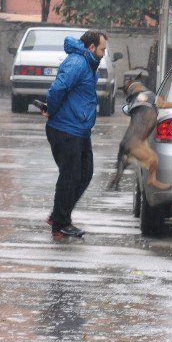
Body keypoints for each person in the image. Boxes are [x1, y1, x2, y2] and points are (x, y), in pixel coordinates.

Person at [41, 30, 108, 237]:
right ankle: (60, 224)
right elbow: (57, 89)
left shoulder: (88, 65)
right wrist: (51, 110)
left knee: (84, 174)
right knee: (70, 176)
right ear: (91, 48)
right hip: (65, 129)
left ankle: (59, 215)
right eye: (102, 49)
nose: (104, 53)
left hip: (79, 129)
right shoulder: (78, 63)